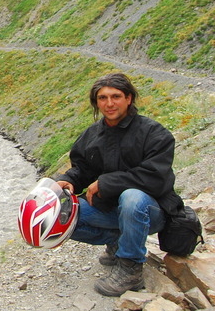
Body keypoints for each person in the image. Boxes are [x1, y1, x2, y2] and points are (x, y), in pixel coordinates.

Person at [55, 72, 183, 297]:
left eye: (116, 96)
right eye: (102, 98)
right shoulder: (92, 134)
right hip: (109, 207)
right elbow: (83, 169)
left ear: (128, 99)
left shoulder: (154, 133)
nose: (109, 103)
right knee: (58, 214)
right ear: (96, 102)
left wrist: (106, 182)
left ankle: (131, 268)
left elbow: (155, 177)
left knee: (131, 197)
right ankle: (119, 243)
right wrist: (68, 180)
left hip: (150, 211)